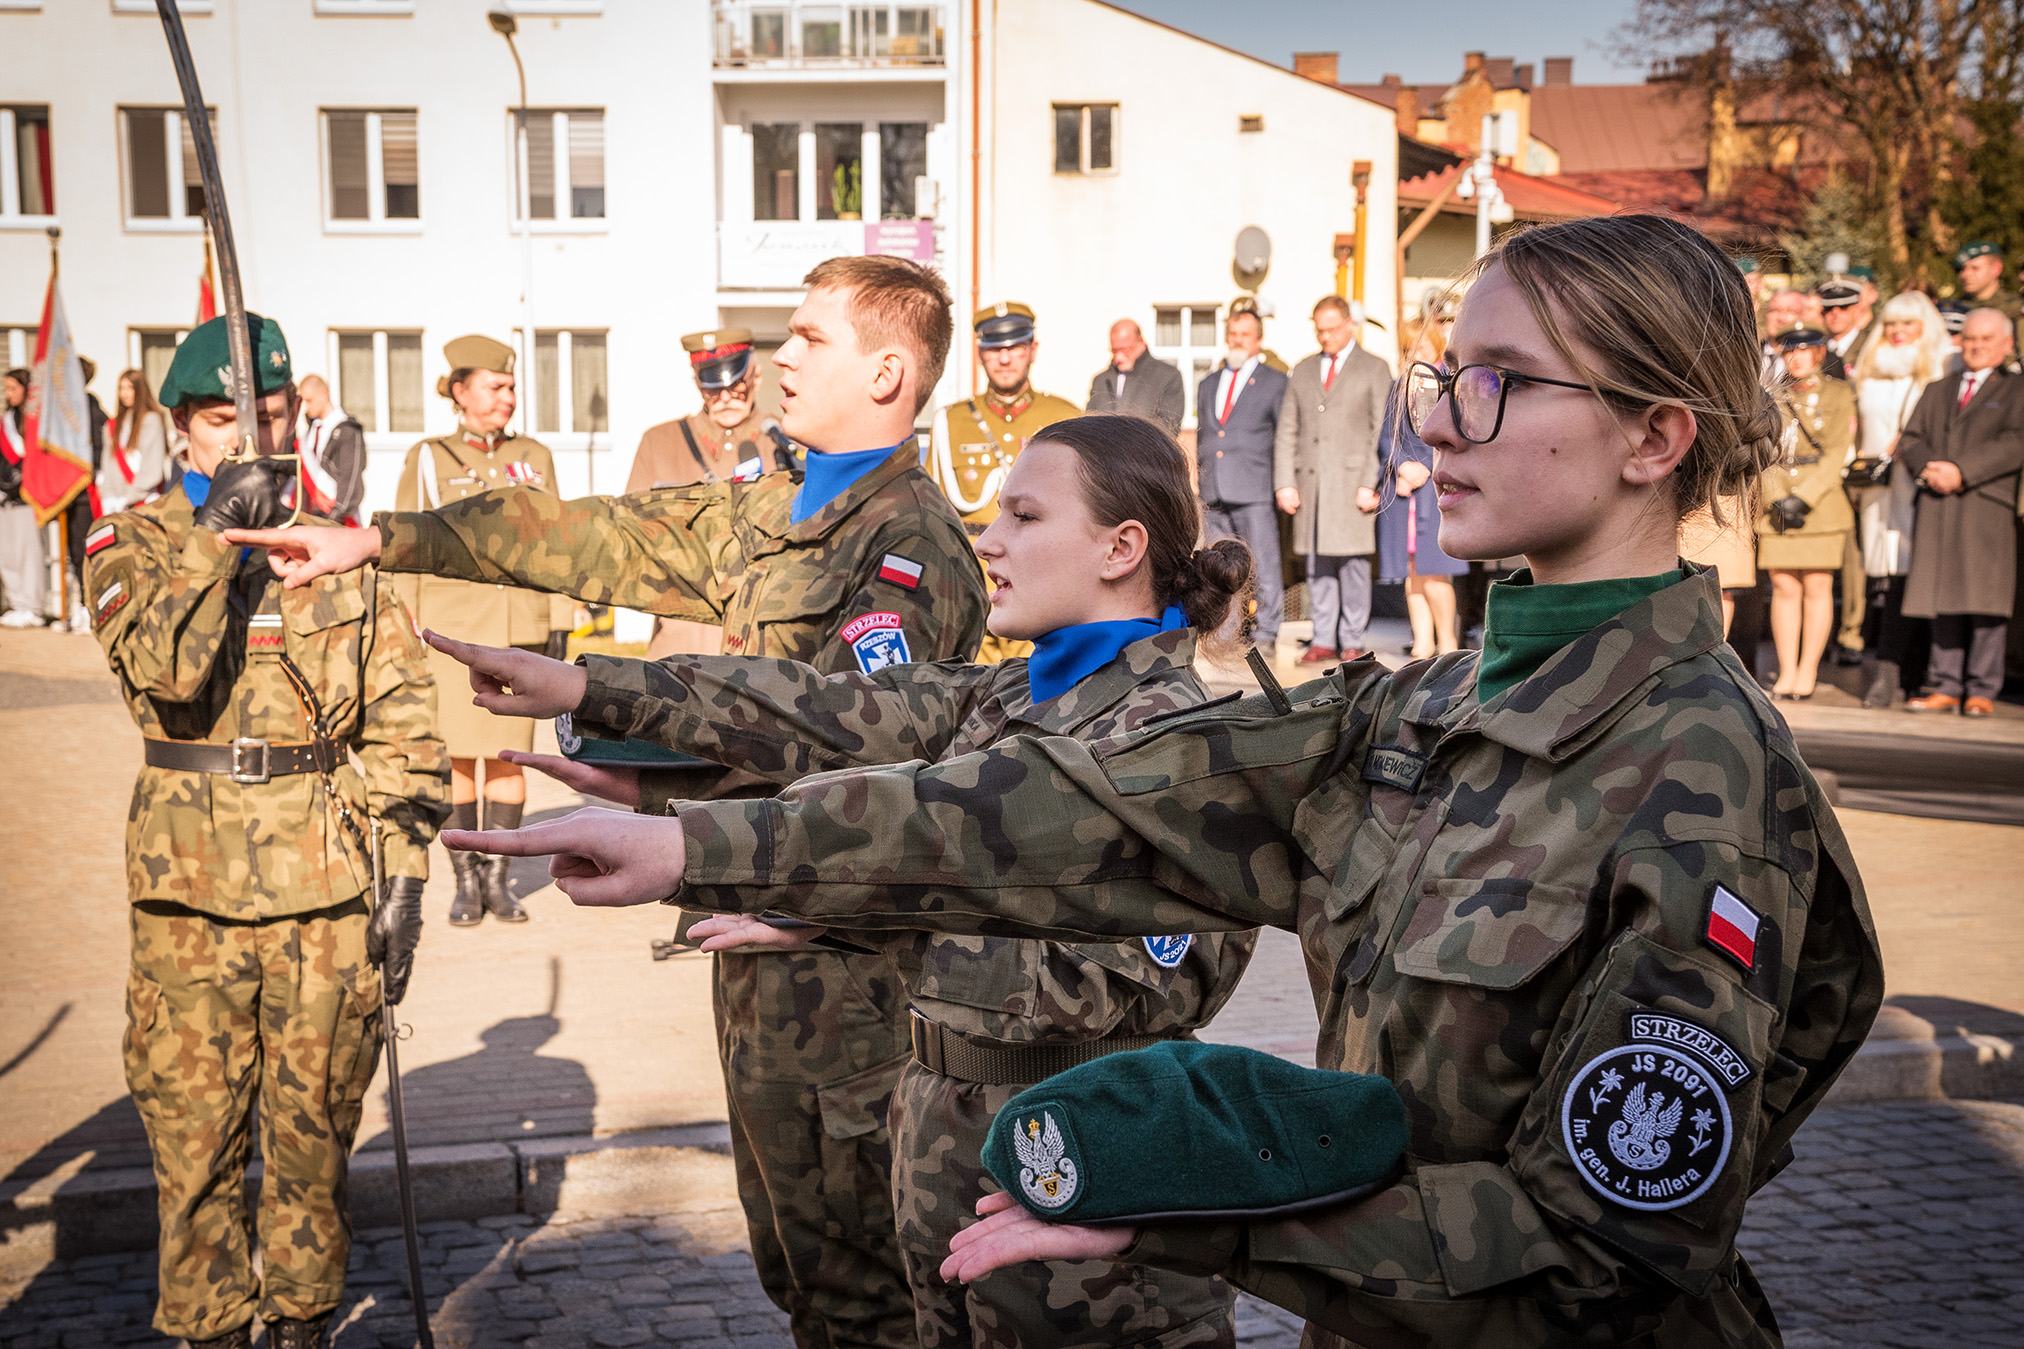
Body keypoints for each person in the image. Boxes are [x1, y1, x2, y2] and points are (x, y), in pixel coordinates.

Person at [449, 213, 1883, 1347]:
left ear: (1653, 434)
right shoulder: (1425, 705)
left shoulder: (1701, 776)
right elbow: (1067, 802)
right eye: (1445, 378)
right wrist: (700, 842)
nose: (1439, 424)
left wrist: (1188, 1213)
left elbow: (1601, 1256)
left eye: (1494, 383)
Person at [227, 254, 989, 1349]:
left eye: (809, 338)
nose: (779, 357)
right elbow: (587, 534)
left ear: (885, 373)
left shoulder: (908, 544)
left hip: (850, 977)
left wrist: (605, 702)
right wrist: (382, 538)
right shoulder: (776, 507)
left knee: (870, 1289)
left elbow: (850, 740)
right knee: (799, 1271)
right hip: (755, 949)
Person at [425, 413, 1258, 1349]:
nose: (988, 540)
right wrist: (594, 691)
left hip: (1086, 1210)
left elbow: (1116, 986)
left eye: (1024, 516)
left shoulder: (1186, 744)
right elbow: (817, 711)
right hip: (956, 1179)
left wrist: (801, 894)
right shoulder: (1009, 695)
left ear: (1121, 548)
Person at [84, 312, 446, 1349]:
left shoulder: (338, 548)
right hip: (188, 901)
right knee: (193, 1146)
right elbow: (163, 671)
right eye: (222, 420)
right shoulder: (131, 541)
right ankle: (207, 1329)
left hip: (325, 893)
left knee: (313, 1141)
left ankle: (301, 1321)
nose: (252, 437)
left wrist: (404, 874)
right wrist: (217, 537)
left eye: (273, 415)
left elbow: (404, 723)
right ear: (180, 428)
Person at [392, 335, 574, 926]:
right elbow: (405, 542)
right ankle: (465, 883)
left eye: (511, 387)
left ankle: (499, 883)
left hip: (517, 627)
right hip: (449, 630)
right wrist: (405, 620)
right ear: (460, 392)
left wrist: (559, 619)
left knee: (506, 756)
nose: (507, 397)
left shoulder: (535, 455)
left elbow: (558, 542)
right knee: (455, 757)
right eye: (495, 387)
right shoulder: (428, 457)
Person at [626, 328, 800, 660]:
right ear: (697, 382)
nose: (725, 396)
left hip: (764, 642)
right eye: (713, 387)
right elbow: (632, 539)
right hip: (682, 639)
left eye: (736, 384)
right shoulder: (660, 443)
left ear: (756, 375)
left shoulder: (785, 442)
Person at [929, 302, 1081, 663]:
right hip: (971, 575)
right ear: (980, 354)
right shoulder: (950, 421)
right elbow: (934, 510)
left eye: (1016, 347)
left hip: (1041, 572)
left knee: (1037, 677)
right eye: (994, 348)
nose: (1005, 358)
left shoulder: (1066, 417)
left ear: (1033, 350)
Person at [1898, 308, 2024, 716]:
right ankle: (1945, 684)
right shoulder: (1939, 388)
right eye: (1970, 338)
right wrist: (1929, 469)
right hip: (1937, 503)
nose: (1976, 346)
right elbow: (1911, 438)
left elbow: (2016, 441)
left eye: (1986, 339)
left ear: (2006, 344)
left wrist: (1962, 471)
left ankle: (1983, 688)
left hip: (1986, 504)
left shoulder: (2017, 389)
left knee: (1986, 601)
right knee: (1941, 595)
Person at [1274, 296, 1388, 663]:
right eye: (1319, 330)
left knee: (1354, 567)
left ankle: (1352, 639)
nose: (1325, 336)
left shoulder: (1374, 368)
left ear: (1350, 324)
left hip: (1354, 484)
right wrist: (1284, 481)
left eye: (1332, 329)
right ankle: (1323, 639)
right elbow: (1287, 429)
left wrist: (1372, 481)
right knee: (1318, 567)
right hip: (1312, 486)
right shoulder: (1303, 369)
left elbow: (1382, 430)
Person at [1848, 292, 1948, 707]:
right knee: (1883, 577)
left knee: (1913, 575)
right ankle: (1890, 671)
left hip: (1919, 486)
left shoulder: (1940, 368)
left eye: (1908, 323)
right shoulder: (1869, 370)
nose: (1898, 332)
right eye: (1891, 323)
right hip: (1877, 487)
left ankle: (1902, 672)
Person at [1757, 320, 1857, 700]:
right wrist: (1774, 496)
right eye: (1790, 350)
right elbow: (1763, 449)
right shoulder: (1769, 394)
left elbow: (1837, 451)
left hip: (1821, 503)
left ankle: (1808, 669)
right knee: (1784, 586)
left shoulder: (1839, 393)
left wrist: (1805, 497)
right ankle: (1786, 669)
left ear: (1819, 352)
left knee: (1817, 585)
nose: (1797, 357)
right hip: (1777, 498)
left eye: (1805, 349)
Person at [1196, 307, 1288, 651]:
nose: (1237, 340)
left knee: (1262, 563)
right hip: (1213, 488)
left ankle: (1267, 631)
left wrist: (1283, 483)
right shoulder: (1208, 383)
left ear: (1259, 340)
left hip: (1254, 486)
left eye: (1244, 335)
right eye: (1232, 333)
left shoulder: (1275, 382)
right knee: (1218, 566)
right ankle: (1226, 630)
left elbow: (1284, 436)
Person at [1377, 319, 1466, 655]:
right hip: (1404, 491)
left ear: (1435, 345)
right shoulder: (1398, 386)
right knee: (1411, 571)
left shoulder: (1450, 383)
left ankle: (1448, 643)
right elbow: (1387, 436)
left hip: (1434, 487)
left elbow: (1455, 432)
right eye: (1408, 348)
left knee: (1435, 572)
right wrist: (1402, 467)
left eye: (1421, 346)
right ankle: (1423, 642)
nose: (1415, 353)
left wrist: (1426, 467)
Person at [0, 367, 45, 628]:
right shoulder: (6, 421)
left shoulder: (34, 421)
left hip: (28, 496)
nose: (9, 394)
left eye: (13, 388)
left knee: (29, 553)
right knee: (7, 553)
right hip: (5, 496)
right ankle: (18, 603)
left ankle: (33, 607)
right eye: (6, 389)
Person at [1084, 318, 1185, 433]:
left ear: (1140, 342)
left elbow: (1169, 428)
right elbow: (1088, 423)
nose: (1118, 357)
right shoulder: (1101, 381)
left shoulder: (1167, 376)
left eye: (1125, 350)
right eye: (1114, 351)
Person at [97, 367, 172, 515]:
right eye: (121, 388)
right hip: (117, 504)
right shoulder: (112, 426)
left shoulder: (151, 420)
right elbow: (108, 465)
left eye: (129, 388)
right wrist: (109, 497)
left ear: (139, 389)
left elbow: (152, 467)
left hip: (145, 501)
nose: (124, 393)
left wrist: (128, 498)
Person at [294, 374, 366, 525]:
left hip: (337, 516)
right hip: (312, 515)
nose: (306, 407)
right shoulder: (310, 431)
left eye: (309, 400)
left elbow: (351, 476)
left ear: (324, 395)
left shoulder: (348, 430)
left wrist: (337, 515)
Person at [1954, 241, 2022, 349]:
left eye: (1975, 268)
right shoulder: (1954, 310)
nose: (1966, 274)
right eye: (1962, 269)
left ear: (1997, 268)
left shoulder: (2017, 307)